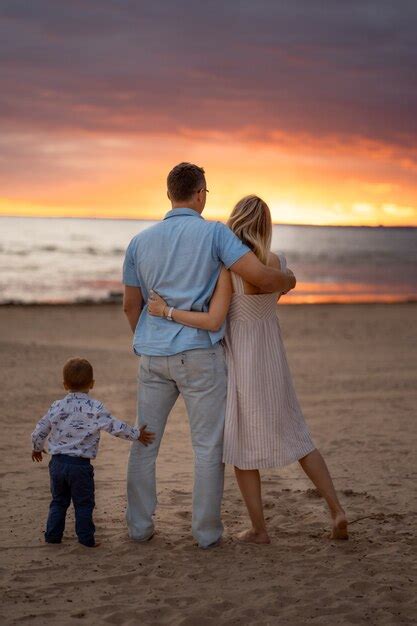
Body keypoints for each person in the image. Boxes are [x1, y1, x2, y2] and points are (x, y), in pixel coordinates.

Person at [148, 195, 348, 543]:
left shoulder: (228, 268)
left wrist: (167, 311)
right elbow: (275, 291)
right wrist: (290, 279)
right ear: (265, 226)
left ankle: (259, 529)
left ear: (235, 222)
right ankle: (336, 510)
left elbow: (214, 321)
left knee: (241, 447)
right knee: (300, 437)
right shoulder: (278, 264)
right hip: (273, 360)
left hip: (241, 362)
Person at [122, 163, 296, 549]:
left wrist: (148, 340)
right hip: (199, 355)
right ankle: (205, 533)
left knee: (145, 441)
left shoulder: (139, 242)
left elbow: (130, 305)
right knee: (207, 448)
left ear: (170, 194)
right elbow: (262, 278)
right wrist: (289, 280)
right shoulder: (215, 233)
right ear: (200, 194)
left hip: (153, 358)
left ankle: (138, 527)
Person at [31, 357, 155, 548]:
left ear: (65, 385)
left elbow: (40, 429)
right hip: (80, 466)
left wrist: (37, 447)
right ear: (92, 384)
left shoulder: (57, 406)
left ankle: (53, 536)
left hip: (57, 463)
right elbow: (115, 426)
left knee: (58, 501)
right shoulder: (95, 408)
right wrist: (136, 434)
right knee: (84, 504)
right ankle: (86, 539)